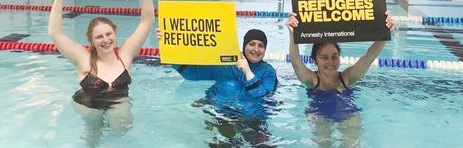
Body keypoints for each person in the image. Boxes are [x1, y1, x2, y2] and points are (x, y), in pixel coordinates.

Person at [48, 0, 154, 146]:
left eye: (108, 34)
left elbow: (146, 22)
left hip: (118, 102)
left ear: (115, 32)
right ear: (91, 40)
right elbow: (55, 32)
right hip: (87, 105)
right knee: (92, 138)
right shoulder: (82, 58)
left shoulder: (125, 55)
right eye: (99, 37)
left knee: (122, 131)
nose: (105, 40)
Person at [286, 11, 394, 147]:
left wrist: (385, 32)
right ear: (315, 60)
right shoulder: (312, 80)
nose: (330, 62)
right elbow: (296, 62)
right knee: (324, 143)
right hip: (319, 113)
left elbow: (368, 58)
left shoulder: (347, 78)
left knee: (351, 144)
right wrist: (292, 33)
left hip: (348, 112)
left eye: (334, 56)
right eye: (324, 57)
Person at [165, 28, 278, 147]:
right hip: (225, 115)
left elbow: (262, 95)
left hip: (254, 118)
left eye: (261, 46)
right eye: (252, 44)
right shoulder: (225, 64)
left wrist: (247, 71)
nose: (256, 49)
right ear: (244, 46)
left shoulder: (268, 72)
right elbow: (192, 73)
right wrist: (169, 48)